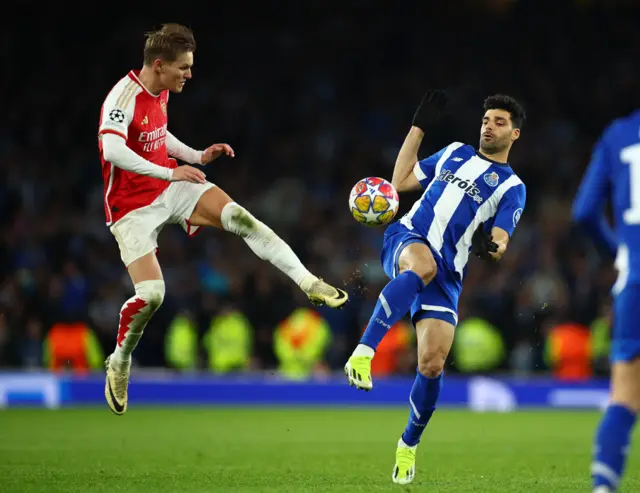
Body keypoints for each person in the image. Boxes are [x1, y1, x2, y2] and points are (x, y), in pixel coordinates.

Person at [98, 23, 348, 416]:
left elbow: (157, 136)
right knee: (152, 296)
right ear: (159, 65)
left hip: (169, 186)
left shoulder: (160, 90)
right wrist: (171, 171)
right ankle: (120, 361)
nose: (189, 75)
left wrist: (195, 156)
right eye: (184, 67)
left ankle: (309, 282)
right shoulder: (123, 96)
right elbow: (111, 149)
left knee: (239, 217)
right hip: (132, 208)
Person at [344, 90, 527, 484]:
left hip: (448, 276)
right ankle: (363, 352)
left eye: (499, 122)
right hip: (409, 238)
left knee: (432, 363)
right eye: (486, 120)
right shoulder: (455, 152)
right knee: (422, 265)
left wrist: (490, 247)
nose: (489, 127)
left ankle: (408, 445)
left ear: (514, 134)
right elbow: (400, 182)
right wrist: (418, 126)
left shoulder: (512, 186)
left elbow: (501, 239)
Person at [572, 108, 640, 493]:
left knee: (625, 397)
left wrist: (621, 254)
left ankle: (602, 487)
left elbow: (584, 213)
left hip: (635, 281)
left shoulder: (619, 133)